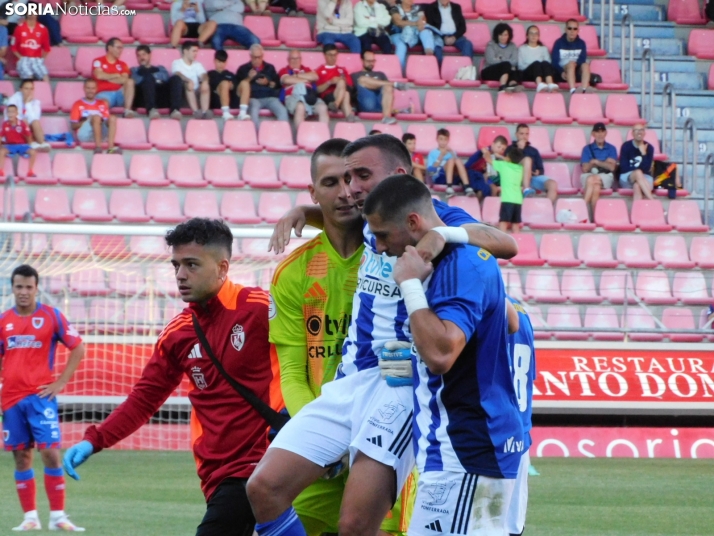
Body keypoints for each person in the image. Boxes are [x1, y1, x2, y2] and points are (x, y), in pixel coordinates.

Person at [248, 134, 518, 536]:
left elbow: (506, 243)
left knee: (355, 524)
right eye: (346, 177)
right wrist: (306, 211)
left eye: (360, 175)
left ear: (398, 174)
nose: (351, 187)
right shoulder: (369, 218)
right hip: (348, 380)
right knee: (264, 488)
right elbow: (336, 209)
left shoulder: (431, 218)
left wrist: (444, 235)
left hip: (398, 384)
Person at [63, 218, 282, 536]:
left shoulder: (258, 309)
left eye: (191, 265)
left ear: (222, 267)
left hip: (262, 463)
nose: (180, 275)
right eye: (176, 265)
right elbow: (144, 399)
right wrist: (95, 440)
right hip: (215, 477)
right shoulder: (178, 333)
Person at [270, 138, 416, 536]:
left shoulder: (398, 247)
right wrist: (323, 442)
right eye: (332, 182)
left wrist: (306, 212)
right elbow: (292, 374)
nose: (346, 191)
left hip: (389, 428)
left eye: (353, 179)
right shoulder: (294, 273)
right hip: (327, 434)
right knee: (272, 510)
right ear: (314, 191)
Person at [362, 174, 523, 535]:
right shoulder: (454, 259)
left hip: (468, 447)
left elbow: (441, 355)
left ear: (414, 222)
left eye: (384, 235)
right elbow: (508, 321)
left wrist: (408, 285)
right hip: (457, 446)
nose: (380, 246)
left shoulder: (459, 264)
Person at [1, 264, 86, 532]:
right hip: (11, 399)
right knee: (22, 457)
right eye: (19, 287)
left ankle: (58, 516)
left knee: (50, 453)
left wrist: (60, 382)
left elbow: (78, 347)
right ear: (12, 288)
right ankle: (30, 517)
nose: (23, 292)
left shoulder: (52, 317)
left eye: (28, 287)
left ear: (37, 288)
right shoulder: (3, 321)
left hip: (40, 398)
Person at [505, 296, 535, 536]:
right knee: (510, 527)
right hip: (519, 435)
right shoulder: (521, 311)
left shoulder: (476, 302)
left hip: (487, 433)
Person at [235, 44, 288, 124]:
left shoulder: (270, 67)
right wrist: (248, 78)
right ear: (250, 56)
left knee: (283, 112)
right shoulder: (243, 69)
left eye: (259, 57)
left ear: (262, 56)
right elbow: (238, 88)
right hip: (253, 98)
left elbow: (277, 84)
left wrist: (268, 82)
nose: (257, 60)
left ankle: (282, 135)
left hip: (270, 97)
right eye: (254, 57)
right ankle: (256, 135)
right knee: (253, 112)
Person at [352, 50, 407, 125]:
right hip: (367, 103)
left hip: (381, 104)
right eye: (368, 61)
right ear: (362, 60)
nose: (371, 63)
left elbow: (389, 92)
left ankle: (386, 117)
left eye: (373, 61)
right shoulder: (355, 75)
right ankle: (394, 84)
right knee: (362, 79)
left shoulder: (380, 74)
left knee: (388, 87)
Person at [278, 49, 329, 129]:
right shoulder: (284, 70)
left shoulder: (307, 69)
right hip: (292, 96)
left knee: (323, 107)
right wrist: (306, 79)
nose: (295, 61)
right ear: (288, 60)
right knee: (300, 106)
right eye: (292, 58)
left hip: (309, 96)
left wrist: (297, 76)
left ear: (301, 59)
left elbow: (315, 76)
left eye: (297, 58)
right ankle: (300, 136)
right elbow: (286, 80)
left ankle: (324, 137)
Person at [484, 144, 527, 233]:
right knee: (515, 225)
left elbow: (488, 159)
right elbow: (510, 160)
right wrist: (502, 157)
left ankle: (502, 244)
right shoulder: (520, 168)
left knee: (503, 223)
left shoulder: (503, 166)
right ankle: (517, 243)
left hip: (507, 199)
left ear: (508, 158)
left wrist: (486, 151)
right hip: (518, 200)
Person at [70, 79, 120, 154]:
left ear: (96, 89)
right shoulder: (77, 104)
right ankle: (98, 148)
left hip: (101, 135)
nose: (90, 91)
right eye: (88, 88)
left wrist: (97, 120)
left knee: (112, 118)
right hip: (85, 135)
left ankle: (110, 148)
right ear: (84, 88)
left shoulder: (102, 103)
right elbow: (73, 126)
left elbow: (107, 122)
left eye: (93, 88)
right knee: (96, 117)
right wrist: (88, 120)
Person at [580, 122, 618, 217]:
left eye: (602, 132)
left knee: (592, 179)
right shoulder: (587, 148)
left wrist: (595, 162)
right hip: (589, 175)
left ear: (606, 133)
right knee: (595, 185)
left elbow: (612, 167)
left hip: (605, 176)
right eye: (597, 132)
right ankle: (595, 218)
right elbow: (585, 169)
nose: (600, 134)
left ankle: (581, 209)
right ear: (593, 134)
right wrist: (605, 162)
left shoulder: (611, 148)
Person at [514, 123, 556, 202]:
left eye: (527, 134)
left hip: (533, 178)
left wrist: (538, 172)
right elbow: (509, 165)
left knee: (552, 184)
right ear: (516, 134)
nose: (524, 136)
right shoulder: (511, 148)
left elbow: (541, 169)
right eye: (521, 134)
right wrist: (520, 149)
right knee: (527, 160)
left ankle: (547, 210)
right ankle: (526, 189)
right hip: (518, 178)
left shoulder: (534, 150)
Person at [4, 79, 50, 150]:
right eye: (26, 88)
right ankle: (31, 143)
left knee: (35, 121)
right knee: (24, 121)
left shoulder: (36, 102)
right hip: (13, 128)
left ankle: (42, 143)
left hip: (28, 128)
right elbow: (13, 116)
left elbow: (35, 118)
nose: (29, 91)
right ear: (21, 89)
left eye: (31, 89)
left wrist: (27, 104)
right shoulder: (13, 99)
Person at [424, 0, 473, 66]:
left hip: (455, 36)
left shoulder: (456, 7)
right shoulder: (431, 8)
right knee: (436, 47)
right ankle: (439, 70)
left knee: (467, 44)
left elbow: (463, 27)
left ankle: (467, 69)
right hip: (439, 35)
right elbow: (431, 27)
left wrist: (454, 37)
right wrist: (444, 37)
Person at [315, 44, 357, 122]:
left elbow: (350, 85)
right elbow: (317, 90)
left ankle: (336, 104)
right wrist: (330, 82)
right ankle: (350, 119)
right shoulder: (319, 71)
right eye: (330, 55)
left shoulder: (342, 70)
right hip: (328, 97)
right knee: (345, 93)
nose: (333, 57)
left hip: (340, 95)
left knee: (345, 91)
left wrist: (341, 80)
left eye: (335, 55)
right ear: (324, 55)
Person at [171, 41, 212, 119]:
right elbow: (177, 73)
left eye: (197, 51)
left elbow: (204, 74)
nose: (196, 54)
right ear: (185, 51)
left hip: (196, 93)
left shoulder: (197, 64)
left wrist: (205, 81)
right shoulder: (177, 63)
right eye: (193, 51)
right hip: (183, 94)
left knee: (205, 85)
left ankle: (204, 112)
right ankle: (196, 112)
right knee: (188, 85)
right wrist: (188, 80)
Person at [131, 45, 172, 120]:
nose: (141, 57)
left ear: (149, 55)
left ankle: (175, 109)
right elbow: (137, 81)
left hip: (160, 98)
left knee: (175, 78)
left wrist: (151, 78)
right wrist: (154, 79)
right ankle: (151, 109)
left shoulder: (160, 68)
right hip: (143, 100)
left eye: (144, 54)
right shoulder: (134, 70)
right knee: (148, 78)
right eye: (139, 55)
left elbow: (166, 78)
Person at [552, 19, 593, 94]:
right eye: (569, 28)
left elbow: (582, 59)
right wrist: (561, 72)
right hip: (562, 72)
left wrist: (575, 64)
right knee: (571, 64)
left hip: (575, 69)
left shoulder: (581, 43)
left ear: (578, 30)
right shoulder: (558, 43)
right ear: (565, 29)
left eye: (575, 29)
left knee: (585, 65)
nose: (572, 31)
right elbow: (554, 62)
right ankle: (573, 90)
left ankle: (584, 89)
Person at [426, 128, 469, 197]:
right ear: (437, 139)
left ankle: (467, 187)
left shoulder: (452, 152)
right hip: (440, 178)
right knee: (451, 161)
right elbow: (430, 172)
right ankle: (449, 187)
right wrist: (441, 156)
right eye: (441, 139)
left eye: (445, 139)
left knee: (457, 160)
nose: (443, 142)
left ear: (448, 140)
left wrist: (452, 153)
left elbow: (458, 167)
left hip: (453, 178)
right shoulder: (432, 153)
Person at [390, 0, 433, 70]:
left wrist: (421, 23)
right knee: (401, 46)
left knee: (425, 32)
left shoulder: (417, 8)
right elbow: (398, 22)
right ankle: (399, 70)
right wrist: (415, 23)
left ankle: (429, 52)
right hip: (398, 34)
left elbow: (422, 19)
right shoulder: (395, 9)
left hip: (415, 34)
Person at [11, 8, 50, 83]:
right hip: (23, 58)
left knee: (45, 76)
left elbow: (47, 48)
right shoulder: (19, 28)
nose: (32, 14)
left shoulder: (43, 29)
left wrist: (41, 59)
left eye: (34, 12)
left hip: (36, 59)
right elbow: (14, 48)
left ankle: (46, 93)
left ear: (37, 13)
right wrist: (21, 58)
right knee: (29, 75)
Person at [464, 135, 509, 200]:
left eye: (503, 149)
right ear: (492, 144)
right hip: (471, 173)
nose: (500, 150)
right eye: (498, 147)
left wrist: (500, 157)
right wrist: (495, 156)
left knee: (491, 190)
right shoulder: (487, 150)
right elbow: (484, 150)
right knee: (488, 188)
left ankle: (487, 208)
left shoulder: (497, 158)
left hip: (482, 176)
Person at [482, 23, 522, 92]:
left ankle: (512, 85)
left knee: (518, 71)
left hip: (506, 71)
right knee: (506, 65)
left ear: (509, 35)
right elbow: (490, 60)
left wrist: (500, 58)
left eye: (505, 35)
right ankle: (502, 86)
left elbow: (515, 61)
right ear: (497, 35)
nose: (503, 37)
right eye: (500, 35)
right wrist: (506, 61)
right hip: (490, 72)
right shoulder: (491, 45)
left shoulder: (513, 46)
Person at [619, 123, 655, 201]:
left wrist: (644, 154)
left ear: (644, 133)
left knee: (637, 186)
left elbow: (646, 168)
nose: (639, 132)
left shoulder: (649, 147)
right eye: (636, 130)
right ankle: (653, 201)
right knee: (638, 172)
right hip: (627, 177)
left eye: (641, 130)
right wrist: (637, 170)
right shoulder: (626, 146)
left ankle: (637, 212)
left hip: (645, 178)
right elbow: (623, 167)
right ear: (632, 133)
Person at [518, 25, 558, 93]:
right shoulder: (522, 49)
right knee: (536, 63)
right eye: (531, 33)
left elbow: (548, 63)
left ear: (539, 36)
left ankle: (550, 83)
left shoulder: (544, 49)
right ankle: (539, 84)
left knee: (544, 63)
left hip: (542, 73)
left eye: (536, 33)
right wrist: (533, 66)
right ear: (527, 36)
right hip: (527, 73)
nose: (534, 35)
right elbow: (520, 66)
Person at [0, 103, 37, 176]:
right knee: (1, 152)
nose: (10, 114)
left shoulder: (22, 123)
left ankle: (30, 171)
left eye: (12, 112)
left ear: (16, 113)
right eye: (9, 112)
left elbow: (28, 135)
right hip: (10, 145)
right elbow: (0, 136)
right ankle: (1, 171)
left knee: (33, 152)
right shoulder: (5, 124)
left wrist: (29, 145)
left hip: (22, 145)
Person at [208, 49, 240, 121]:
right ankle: (225, 112)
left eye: (223, 62)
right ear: (214, 61)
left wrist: (232, 86)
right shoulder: (209, 74)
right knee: (225, 84)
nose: (221, 64)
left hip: (231, 102)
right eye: (219, 61)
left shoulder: (230, 75)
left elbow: (236, 87)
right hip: (215, 102)